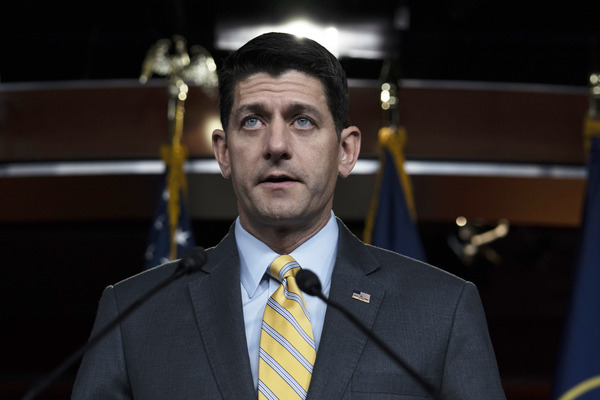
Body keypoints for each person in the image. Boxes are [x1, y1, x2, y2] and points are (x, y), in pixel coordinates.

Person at [72, 32, 505, 399]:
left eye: (302, 121)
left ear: (346, 151)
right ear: (224, 153)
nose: (276, 145)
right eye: (253, 122)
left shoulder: (442, 310)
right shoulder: (132, 315)